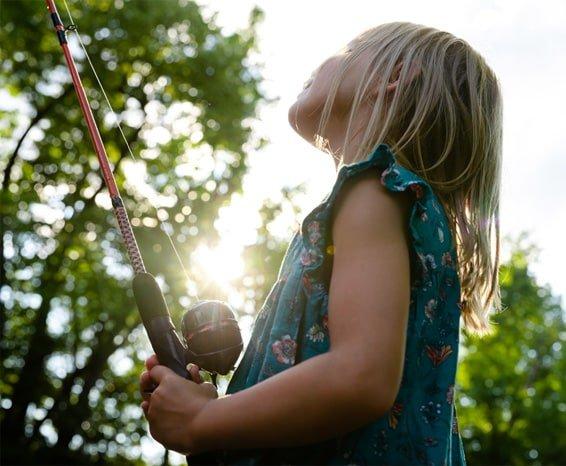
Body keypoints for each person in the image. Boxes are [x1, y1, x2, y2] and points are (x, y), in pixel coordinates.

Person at [139, 21, 503, 465]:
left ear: (395, 76)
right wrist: (215, 421)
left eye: (349, 49)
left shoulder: (373, 192)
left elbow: (360, 378)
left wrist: (202, 421)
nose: (326, 60)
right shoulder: (398, 206)